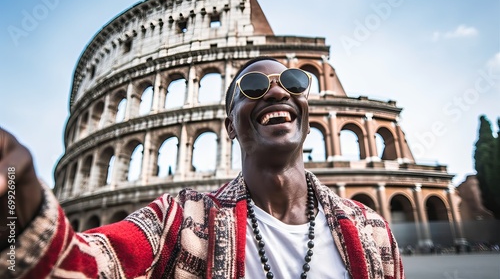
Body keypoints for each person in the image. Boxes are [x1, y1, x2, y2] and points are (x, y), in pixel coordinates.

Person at [0, 57, 404, 278]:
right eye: (253, 88)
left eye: (294, 83)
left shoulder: (372, 231)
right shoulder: (178, 220)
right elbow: (87, 265)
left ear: (307, 113)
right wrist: (20, 204)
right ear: (230, 124)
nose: (278, 90)